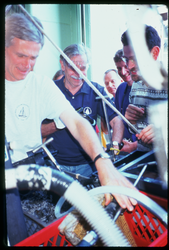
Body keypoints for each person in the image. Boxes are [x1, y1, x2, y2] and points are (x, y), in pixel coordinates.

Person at [5, 13, 137, 214]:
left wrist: (104, 161)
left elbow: (77, 122)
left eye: (34, 57)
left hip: (52, 169)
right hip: (49, 164)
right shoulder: (53, 85)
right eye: (21, 55)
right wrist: (55, 126)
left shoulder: (42, 85)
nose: (27, 66)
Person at [41, 44, 125, 176]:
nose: (79, 73)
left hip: (89, 166)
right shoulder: (50, 90)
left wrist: (115, 148)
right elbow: (38, 129)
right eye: (73, 68)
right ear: (62, 66)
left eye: (83, 68)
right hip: (56, 165)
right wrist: (60, 123)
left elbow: (117, 120)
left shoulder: (96, 91)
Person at [121, 25, 168, 151]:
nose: (129, 66)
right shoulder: (136, 84)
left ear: (155, 53)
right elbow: (137, 129)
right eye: (126, 59)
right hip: (145, 163)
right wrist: (131, 121)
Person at [113, 49, 137, 153]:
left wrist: (135, 146)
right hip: (125, 149)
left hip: (143, 150)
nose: (123, 72)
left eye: (125, 67)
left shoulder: (147, 89)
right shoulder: (121, 89)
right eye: (119, 68)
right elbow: (119, 120)